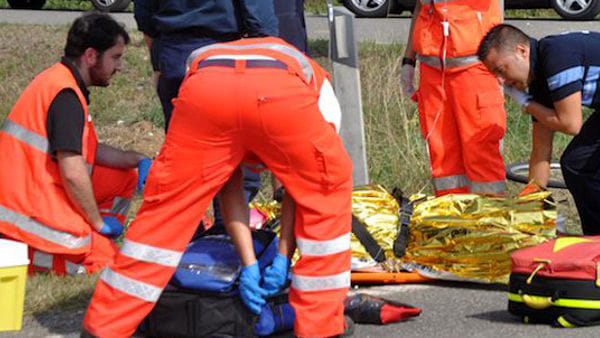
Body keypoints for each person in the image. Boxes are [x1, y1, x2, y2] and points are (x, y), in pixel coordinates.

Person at [82, 36, 353, 338]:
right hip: (279, 92)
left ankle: (104, 326)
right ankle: (322, 328)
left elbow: (228, 187)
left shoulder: (215, 63)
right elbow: (304, 191)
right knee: (326, 197)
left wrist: (258, 261)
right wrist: (280, 258)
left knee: (165, 215)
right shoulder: (321, 95)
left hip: (205, 89)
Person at [0, 13, 152, 276]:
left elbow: (88, 150)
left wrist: (136, 159)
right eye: (115, 58)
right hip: (26, 213)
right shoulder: (66, 96)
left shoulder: (60, 82)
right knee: (107, 264)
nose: (120, 67)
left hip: (28, 195)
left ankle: (94, 235)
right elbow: (72, 171)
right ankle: (65, 247)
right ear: (91, 56)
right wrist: (95, 221)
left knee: (123, 175)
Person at [477, 24, 600, 235]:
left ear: (521, 51)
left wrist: (528, 105)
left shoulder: (556, 57)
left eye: (500, 69)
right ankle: (594, 244)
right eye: (494, 75)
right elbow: (540, 152)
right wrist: (530, 209)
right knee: (577, 163)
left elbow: (571, 124)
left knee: (578, 164)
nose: (500, 81)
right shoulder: (539, 81)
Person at [401, 0, 507, 196]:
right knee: (441, 155)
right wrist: (408, 60)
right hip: (433, 70)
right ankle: (452, 216)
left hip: (475, 67)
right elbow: (420, 7)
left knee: (480, 149)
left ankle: (491, 217)